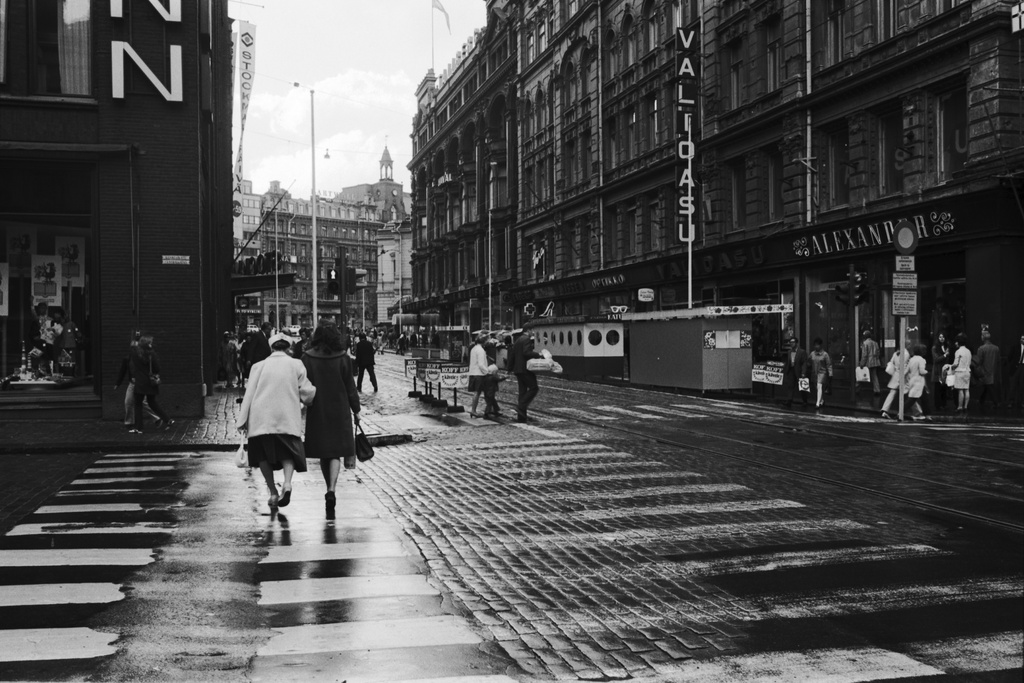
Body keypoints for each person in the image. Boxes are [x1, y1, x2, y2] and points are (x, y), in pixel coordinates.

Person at [237, 332, 316, 510]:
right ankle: (287, 484)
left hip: (261, 417)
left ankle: (273, 492)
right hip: (287, 416)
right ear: (288, 347)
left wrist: (242, 420)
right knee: (288, 452)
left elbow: (249, 393)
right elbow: (306, 391)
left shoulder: (259, 366)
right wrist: (311, 397)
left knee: (263, 456)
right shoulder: (296, 364)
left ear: (271, 347)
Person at [301, 324, 361, 517]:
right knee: (335, 451)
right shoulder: (343, 358)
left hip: (318, 409)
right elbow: (350, 387)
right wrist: (356, 410)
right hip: (339, 408)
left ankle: (328, 487)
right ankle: (332, 490)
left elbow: (302, 384)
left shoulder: (307, 358)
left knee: (323, 451)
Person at [128, 335, 174, 434]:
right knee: (152, 402)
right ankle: (168, 420)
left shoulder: (135, 354)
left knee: (138, 404)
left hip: (140, 382)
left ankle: (138, 427)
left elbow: (132, 360)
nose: (151, 344)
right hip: (150, 382)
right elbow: (157, 369)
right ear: (147, 344)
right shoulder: (151, 355)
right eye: (150, 343)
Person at [115, 336, 157, 428]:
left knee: (143, 402)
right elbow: (123, 371)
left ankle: (157, 418)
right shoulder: (128, 358)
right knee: (129, 402)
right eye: (133, 348)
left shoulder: (142, 358)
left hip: (141, 383)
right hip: (133, 382)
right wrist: (118, 383)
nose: (134, 349)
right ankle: (130, 422)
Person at [508, 330, 542, 422]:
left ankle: (521, 417)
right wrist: (538, 354)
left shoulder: (518, 340)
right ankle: (521, 406)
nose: (533, 333)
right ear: (529, 330)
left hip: (518, 369)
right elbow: (526, 352)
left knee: (522, 392)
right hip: (525, 369)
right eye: (532, 331)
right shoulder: (526, 339)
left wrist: (510, 368)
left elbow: (512, 354)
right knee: (534, 388)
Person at [880, 345, 912, 419]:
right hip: (903, 376)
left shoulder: (896, 353)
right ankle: (918, 412)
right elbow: (905, 366)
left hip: (895, 375)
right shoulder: (906, 354)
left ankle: (884, 410)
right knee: (911, 394)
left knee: (892, 393)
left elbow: (891, 362)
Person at [975, 331, 1001, 411]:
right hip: (993, 371)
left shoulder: (981, 349)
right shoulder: (996, 348)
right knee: (988, 387)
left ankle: (996, 403)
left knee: (988, 387)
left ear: (983, 337)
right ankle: (981, 401)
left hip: (984, 371)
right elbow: (998, 360)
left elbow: (978, 361)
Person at [904, 344, 931, 421]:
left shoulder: (912, 359)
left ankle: (927, 415)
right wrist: (927, 372)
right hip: (919, 382)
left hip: (912, 380)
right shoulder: (921, 360)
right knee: (913, 400)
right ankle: (901, 412)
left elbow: (906, 370)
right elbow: (922, 371)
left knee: (923, 398)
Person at [782, 337, 810, 408]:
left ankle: (804, 401)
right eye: (790, 342)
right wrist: (786, 370)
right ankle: (789, 400)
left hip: (799, 371)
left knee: (802, 386)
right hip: (791, 370)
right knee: (790, 386)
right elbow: (788, 362)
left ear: (796, 343)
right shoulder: (789, 352)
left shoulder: (802, 352)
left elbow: (804, 363)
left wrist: (803, 372)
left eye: (793, 342)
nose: (791, 344)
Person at [468, 333, 489, 418]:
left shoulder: (474, 348)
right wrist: (487, 371)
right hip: (479, 374)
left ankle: (473, 410)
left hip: (473, 373)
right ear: (484, 342)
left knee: (476, 392)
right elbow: (481, 364)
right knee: (477, 392)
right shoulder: (481, 350)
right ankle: (473, 410)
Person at [808, 337, 833, 408]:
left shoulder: (825, 354)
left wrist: (830, 373)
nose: (816, 346)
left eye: (817, 345)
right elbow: (809, 362)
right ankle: (821, 400)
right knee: (817, 387)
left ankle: (817, 403)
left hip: (822, 372)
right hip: (814, 372)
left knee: (819, 385)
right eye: (815, 345)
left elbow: (829, 364)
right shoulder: (812, 354)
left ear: (820, 345)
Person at [951, 333, 972, 415]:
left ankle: (960, 407)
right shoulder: (968, 351)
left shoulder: (958, 351)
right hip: (967, 371)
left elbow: (956, 363)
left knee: (960, 390)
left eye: (956, 342)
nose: (955, 343)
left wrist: (950, 367)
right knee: (966, 389)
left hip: (960, 371)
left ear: (958, 342)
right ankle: (966, 406)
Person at [931, 333, 952, 412]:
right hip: (938, 370)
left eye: (943, 336)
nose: (942, 338)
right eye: (940, 337)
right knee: (937, 389)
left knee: (944, 388)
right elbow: (936, 359)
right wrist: (945, 355)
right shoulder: (935, 348)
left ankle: (944, 404)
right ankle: (938, 405)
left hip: (945, 370)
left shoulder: (947, 347)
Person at [858, 330, 881, 396]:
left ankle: (857, 388)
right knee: (874, 376)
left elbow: (864, 355)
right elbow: (878, 353)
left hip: (868, 362)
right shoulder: (875, 343)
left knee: (861, 375)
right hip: (875, 362)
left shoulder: (865, 343)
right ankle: (877, 390)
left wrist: (862, 364)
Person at [1006, 333, 1024, 411]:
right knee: (1012, 385)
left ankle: (1022, 402)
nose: (1022, 340)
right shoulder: (1015, 347)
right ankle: (1011, 401)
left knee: (1022, 386)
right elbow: (1009, 357)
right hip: (1016, 367)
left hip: (1023, 366)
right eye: (1022, 338)